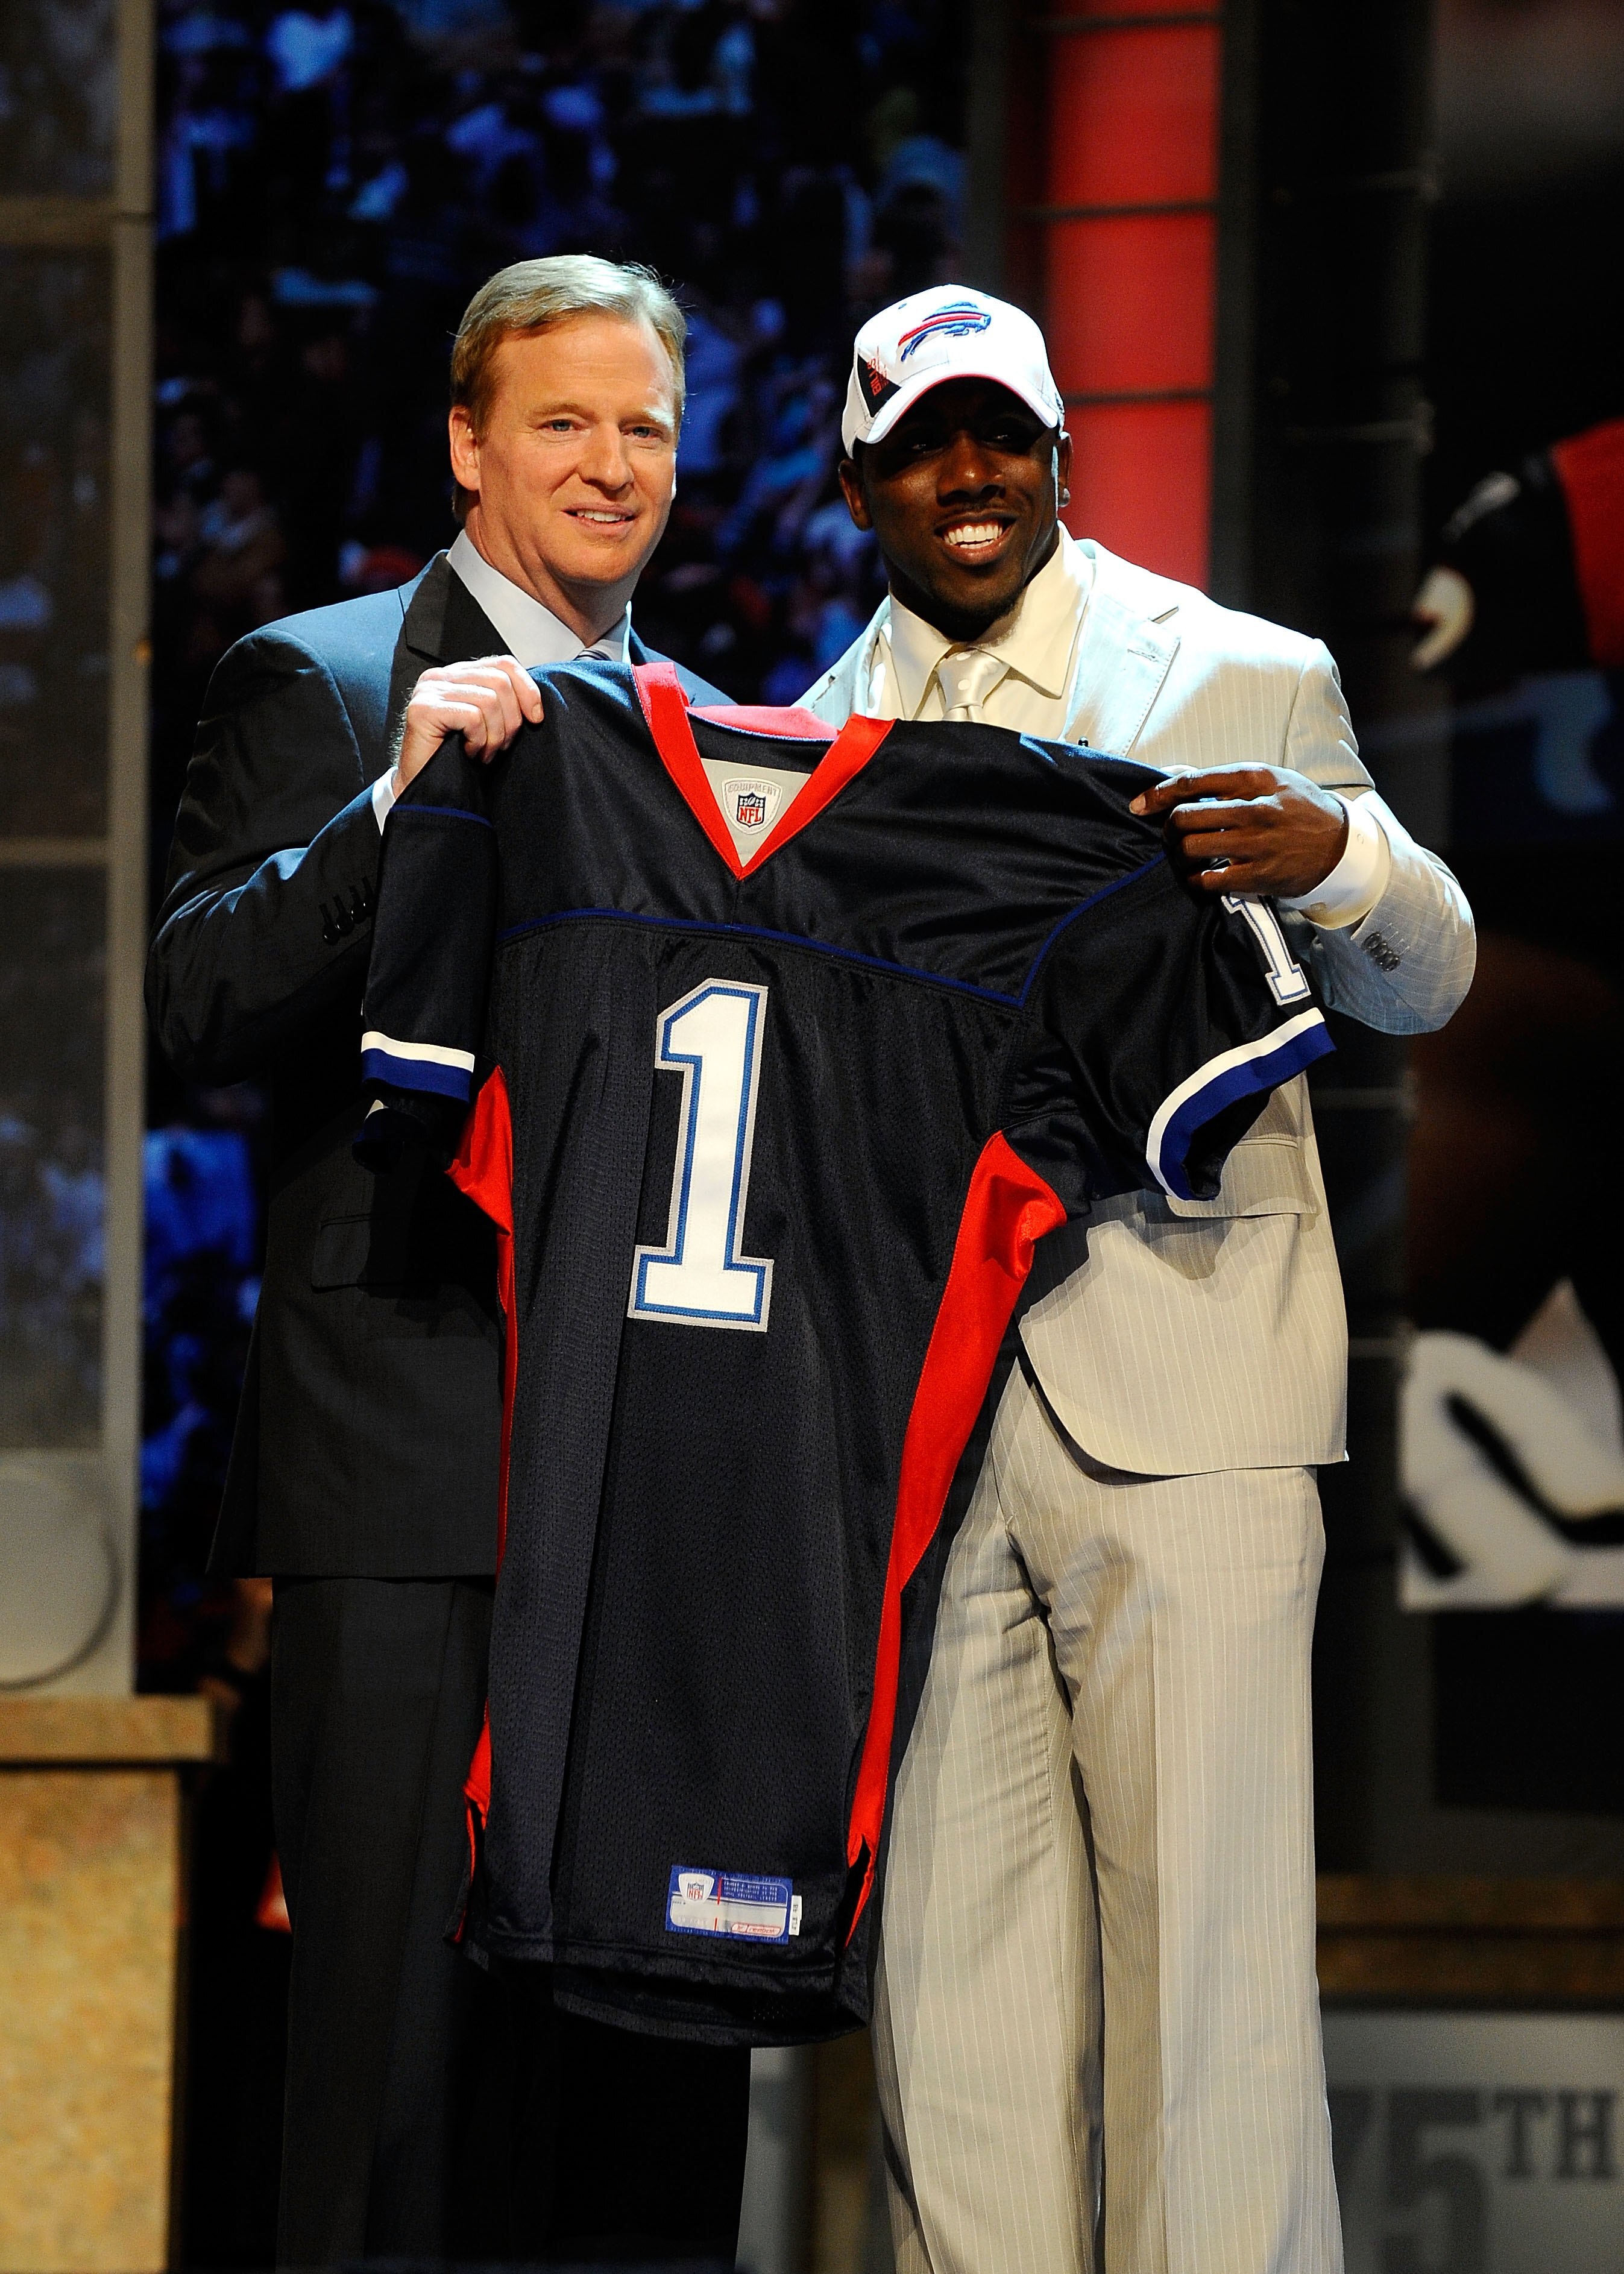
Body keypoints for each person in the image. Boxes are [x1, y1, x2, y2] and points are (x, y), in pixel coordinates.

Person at [799, 285, 1478, 2274]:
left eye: (1003, 429)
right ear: (861, 482)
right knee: (955, 2014)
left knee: (1215, 2003)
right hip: (919, 1439)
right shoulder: (804, 739)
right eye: (927, 440)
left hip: (1188, 1391)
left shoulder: (1246, 672)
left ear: (1064, 450)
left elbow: (1424, 972)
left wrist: (1340, 857)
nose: (972, 472)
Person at [146, 255, 748, 2267]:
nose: (608, 463)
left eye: (644, 426)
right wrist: (397, 802)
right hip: (403, 1466)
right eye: (562, 422)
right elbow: (187, 1002)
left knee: (637, 2074)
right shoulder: (316, 678)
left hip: (647, 1486)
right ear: (470, 447)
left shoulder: (711, 731)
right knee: (391, 2077)